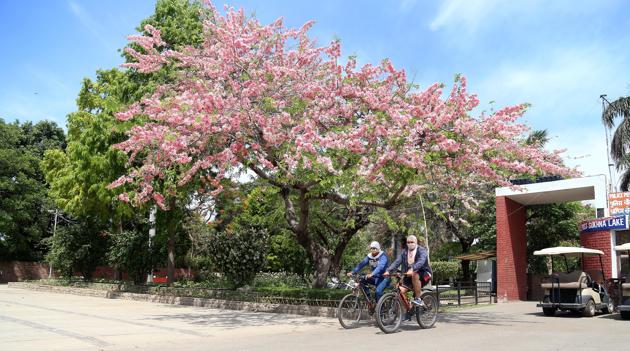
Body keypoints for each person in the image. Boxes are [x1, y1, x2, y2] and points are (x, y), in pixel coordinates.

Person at [384, 235, 432, 308]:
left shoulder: (422, 250)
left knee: (415, 275)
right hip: (409, 276)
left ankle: (418, 299)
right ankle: (408, 309)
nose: (410, 244)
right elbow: (397, 262)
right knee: (399, 291)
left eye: (412, 242)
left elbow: (421, 261)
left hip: (424, 274)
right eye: (408, 242)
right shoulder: (405, 252)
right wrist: (388, 270)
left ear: (416, 242)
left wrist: (412, 268)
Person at [347, 241, 391, 306]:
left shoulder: (383, 256)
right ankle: (369, 298)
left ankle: (381, 310)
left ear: (378, 249)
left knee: (378, 292)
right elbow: (361, 264)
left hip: (384, 278)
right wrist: (352, 272)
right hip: (375, 278)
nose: (373, 250)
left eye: (374, 248)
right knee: (361, 280)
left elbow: (380, 267)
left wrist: (372, 274)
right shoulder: (369, 257)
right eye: (371, 248)